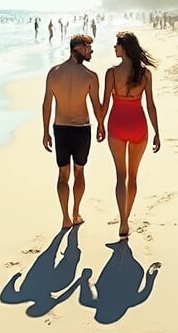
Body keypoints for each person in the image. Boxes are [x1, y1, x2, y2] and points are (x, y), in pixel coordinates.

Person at [98, 31, 160, 239]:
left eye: (116, 45)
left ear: (124, 48)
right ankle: (127, 219)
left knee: (120, 176)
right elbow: (150, 105)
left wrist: (99, 124)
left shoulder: (112, 73)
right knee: (133, 176)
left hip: (117, 124)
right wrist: (157, 133)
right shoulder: (145, 74)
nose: (114, 48)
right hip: (139, 125)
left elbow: (105, 104)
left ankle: (123, 221)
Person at [41, 34, 103, 230]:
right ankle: (75, 213)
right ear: (78, 48)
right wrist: (101, 124)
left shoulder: (54, 73)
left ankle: (66, 217)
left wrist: (45, 131)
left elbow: (47, 105)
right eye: (88, 47)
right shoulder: (90, 76)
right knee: (78, 171)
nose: (91, 51)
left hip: (60, 129)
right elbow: (96, 106)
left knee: (62, 174)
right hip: (81, 129)